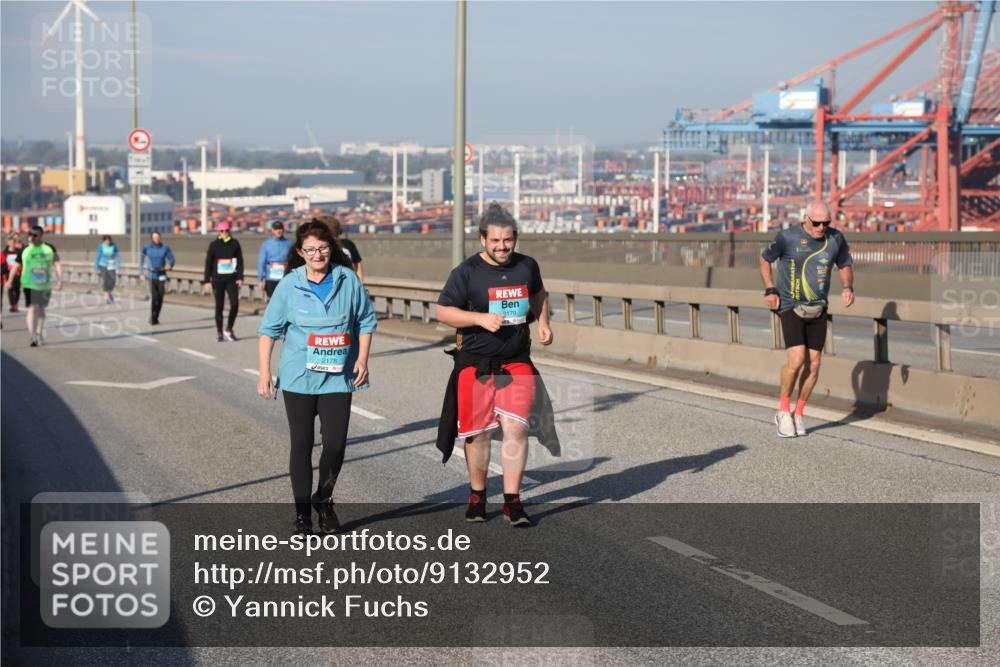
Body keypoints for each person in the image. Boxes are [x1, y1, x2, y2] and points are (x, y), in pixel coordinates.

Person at [435, 202, 560, 527]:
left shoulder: (527, 266)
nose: (503, 247)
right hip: (475, 363)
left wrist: (543, 323)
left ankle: (512, 501)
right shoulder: (466, 272)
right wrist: (479, 318)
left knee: (516, 428)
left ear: (515, 237)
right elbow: (444, 312)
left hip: (516, 361)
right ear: (482, 239)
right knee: (480, 435)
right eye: (495, 241)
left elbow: (539, 294)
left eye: (508, 241)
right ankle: (478, 494)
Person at [257, 220, 376, 535]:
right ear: (300, 252)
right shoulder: (288, 285)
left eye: (322, 248)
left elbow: (366, 320)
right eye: (310, 249)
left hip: (338, 377)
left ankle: (323, 499)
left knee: (335, 444)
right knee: (302, 444)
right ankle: (302, 516)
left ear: (331, 248)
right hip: (298, 377)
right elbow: (268, 331)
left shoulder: (347, 280)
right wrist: (264, 372)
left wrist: (363, 358)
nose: (317, 254)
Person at [760, 201, 855, 438]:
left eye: (826, 223)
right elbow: (764, 259)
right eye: (817, 223)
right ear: (806, 218)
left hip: (818, 307)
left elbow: (844, 264)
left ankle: (798, 413)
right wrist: (770, 288)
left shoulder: (836, 238)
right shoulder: (787, 237)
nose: (821, 227)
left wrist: (847, 287)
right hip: (790, 305)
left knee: (814, 366)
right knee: (797, 359)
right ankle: (782, 411)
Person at [5, 226, 62, 347]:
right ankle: (33, 336)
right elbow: (15, 266)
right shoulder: (24, 250)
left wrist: (59, 280)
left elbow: (57, 264)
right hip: (28, 283)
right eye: (30, 234)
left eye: (35, 235)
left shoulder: (49, 248)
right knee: (31, 308)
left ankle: (39, 333)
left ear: (41, 236)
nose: (31, 237)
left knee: (41, 309)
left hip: (44, 284)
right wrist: (9, 280)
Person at [202, 221, 244, 342]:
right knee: (219, 306)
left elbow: (240, 261)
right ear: (218, 232)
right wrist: (206, 280)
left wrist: (240, 277)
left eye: (226, 230)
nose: (224, 233)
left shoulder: (235, 244)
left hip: (232, 279)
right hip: (217, 279)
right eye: (221, 231)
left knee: (235, 304)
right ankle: (219, 332)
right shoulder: (214, 245)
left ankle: (229, 328)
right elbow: (208, 263)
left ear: (229, 231)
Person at [139, 231, 176, 325]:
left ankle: (156, 317)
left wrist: (169, 265)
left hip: (162, 274)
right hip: (151, 275)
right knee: (154, 297)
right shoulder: (147, 247)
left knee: (160, 297)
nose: (156, 239)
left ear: (160, 238)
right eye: (154, 237)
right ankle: (152, 317)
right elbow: (141, 260)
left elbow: (172, 259)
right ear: (152, 238)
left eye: (158, 237)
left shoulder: (165, 247)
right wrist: (141, 273)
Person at [316, 214, 364, 282]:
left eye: (337, 235)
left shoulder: (348, 245)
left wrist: (360, 284)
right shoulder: (316, 251)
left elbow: (358, 263)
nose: (336, 239)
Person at [257, 220, 292, 299]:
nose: (278, 231)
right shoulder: (266, 244)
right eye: (276, 229)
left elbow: (292, 261)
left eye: (280, 228)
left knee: (284, 302)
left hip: (285, 279)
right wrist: (260, 280)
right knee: (272, 302)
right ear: (272, 230)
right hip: (271, 279)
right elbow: (261, 262)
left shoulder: (289, 243)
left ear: (283, 230)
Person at [93, 235, 121, 305]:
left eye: (109, 240)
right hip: (103, 265)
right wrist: (96, 268)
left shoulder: (114, 246)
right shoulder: (101, 246)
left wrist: (117, 267)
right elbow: (97, 257)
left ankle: (110, 293)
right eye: (106, 240)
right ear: (104, 241)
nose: (108, 242)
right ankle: (106, 298)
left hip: (112, 265)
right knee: (106, 280)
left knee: (112, 281)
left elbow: (118, 256)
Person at [4, 235, 24, 312]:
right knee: (10, 289)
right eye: (11, 242)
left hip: (18, 273)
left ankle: (15, 303)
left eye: (14, 242)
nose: (12, 244)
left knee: (17, 289)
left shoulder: (18, 252)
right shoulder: (5, 252)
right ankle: (13, 305)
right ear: (8, 243)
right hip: (8, 273)